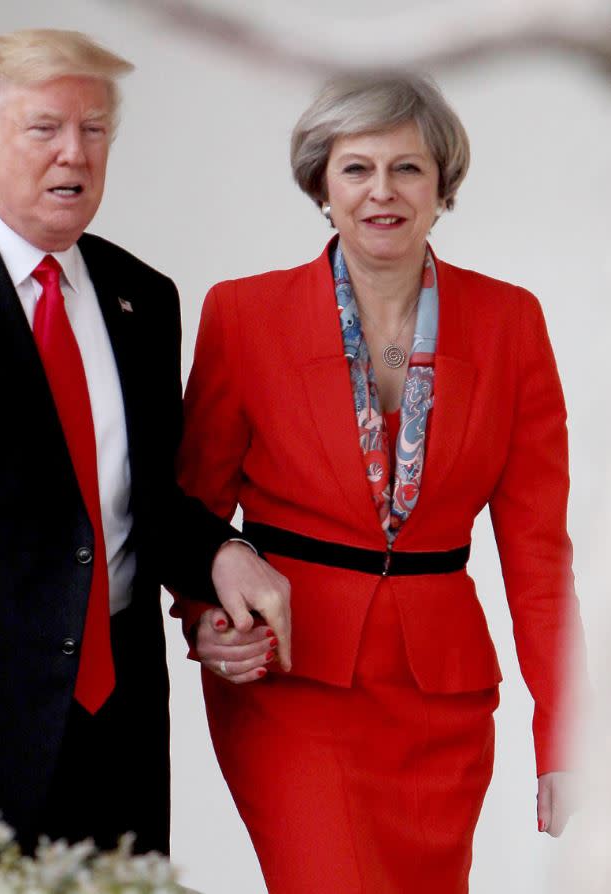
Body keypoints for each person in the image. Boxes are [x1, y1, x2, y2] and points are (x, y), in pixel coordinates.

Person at [172, 74, 584, 892]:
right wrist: (201, 619)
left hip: (443, 699)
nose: (381, 192)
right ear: (321, 186)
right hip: (294, 683)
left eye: (407, 169)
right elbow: (193, 509)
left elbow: (539, 556)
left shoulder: (510, 323)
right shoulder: (242, 314)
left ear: (442, 188)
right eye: (356, 169)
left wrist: (563, 734)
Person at [0, 28, 291, 856]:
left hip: (120, 722)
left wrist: (221, 556)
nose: (75, 151)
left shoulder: (141, 297)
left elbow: (149, 502)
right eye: (45, 127)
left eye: (95, 129)